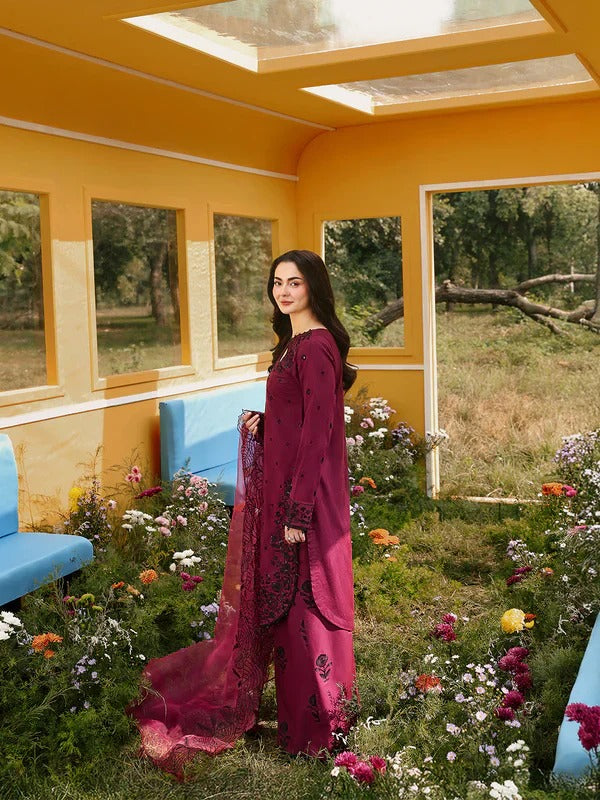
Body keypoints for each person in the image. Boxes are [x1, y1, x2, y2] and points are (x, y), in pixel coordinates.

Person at [129, 250, 357, 775]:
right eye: (277, 282)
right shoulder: (291, 346)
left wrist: (299, 514)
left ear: (314, 288)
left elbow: (318, 435)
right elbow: (297, 416)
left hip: (305, 503)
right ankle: (309, 724)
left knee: (308, 605)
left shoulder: (316, 347)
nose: (283, 291)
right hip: (283, 497)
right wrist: (264, 419)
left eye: (294, 283)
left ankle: (321, 729)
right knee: (286, 608)